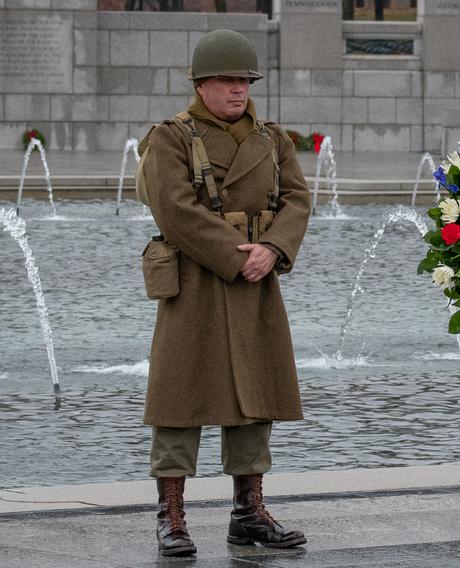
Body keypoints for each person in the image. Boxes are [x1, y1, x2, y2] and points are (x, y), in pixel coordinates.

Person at [139, 29, 311, 557]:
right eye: (227, 81)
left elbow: (298, 199)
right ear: (201, 84)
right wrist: (241, 254)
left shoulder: (271, 138)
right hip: (197, 282)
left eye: (244, 81)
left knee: (255, 399)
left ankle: (249, 513)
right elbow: (173, 209)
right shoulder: (171, 137)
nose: (239, 90)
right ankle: (172, 516)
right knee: (179, 399)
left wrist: (276, 248)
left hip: (256, 281)